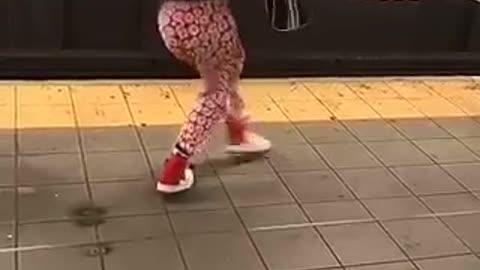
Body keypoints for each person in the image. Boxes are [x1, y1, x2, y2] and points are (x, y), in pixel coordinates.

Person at [156, 0, 271, 194]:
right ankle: (175, 167)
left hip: (171, 19)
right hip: (206, 23)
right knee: (215, 92)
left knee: (231, 63)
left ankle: (236, 131)